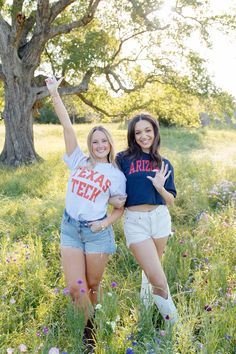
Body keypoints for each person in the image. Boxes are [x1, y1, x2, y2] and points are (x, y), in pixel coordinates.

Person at [45, 76, 127, 348]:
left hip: (96, 234)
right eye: (95, 141)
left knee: (93, 284)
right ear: (90, 145)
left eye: (104, 141)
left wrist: (104, 224)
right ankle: (89, 334)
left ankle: (97, 316)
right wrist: (54, 94)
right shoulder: (78, 161)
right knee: (76, 287)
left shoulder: (115, 174)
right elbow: (67, 128)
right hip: (70, 228)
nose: (100, 145)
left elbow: (119, 209)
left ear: (109, 144)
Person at [115, 112, 178, 324]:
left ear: (155, 132)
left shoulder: (164, 163)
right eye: (138, 132)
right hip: (135, 221)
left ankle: (146, 309)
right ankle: (175, 327)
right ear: (133, 135)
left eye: (148, 131)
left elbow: (171, 199)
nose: (143, 136)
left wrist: (160, 187)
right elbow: (112, 185)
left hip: (160, 219)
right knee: (159, 279)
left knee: (152, 268)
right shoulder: (123, 159)